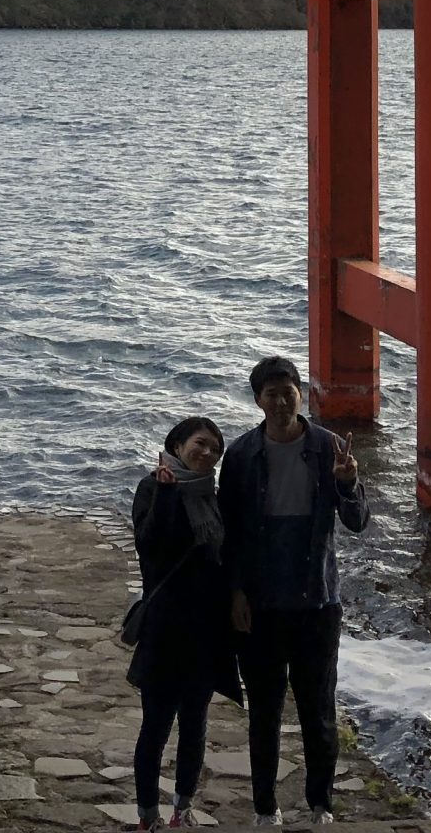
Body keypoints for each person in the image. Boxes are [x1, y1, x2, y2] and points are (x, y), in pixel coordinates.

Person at [219, 354, 367, 825]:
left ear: (301, 393)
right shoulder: (242, 455)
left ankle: (321, 803)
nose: (281, 401)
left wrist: (348, 483)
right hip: (260, 605)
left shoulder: (328, 448)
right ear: (258, 401)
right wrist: (235, 594)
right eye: (271, 394)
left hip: (317, 601)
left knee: (318, 709)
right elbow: (231, 534)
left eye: (289, 392)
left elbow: (358, 522)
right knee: (264, 712)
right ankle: (266, 807)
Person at [128, 413, 242, 829]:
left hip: (207, 629)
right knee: (156, 726)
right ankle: (147, 815)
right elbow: (150, 546)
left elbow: (225, 555)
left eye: (215, 449)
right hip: (166, 627)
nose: (207, 453)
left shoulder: (213, 494)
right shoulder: (152, 486)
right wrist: (164, 494)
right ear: (177, 445)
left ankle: (182, 808)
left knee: (195, 723)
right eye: (200, 443)